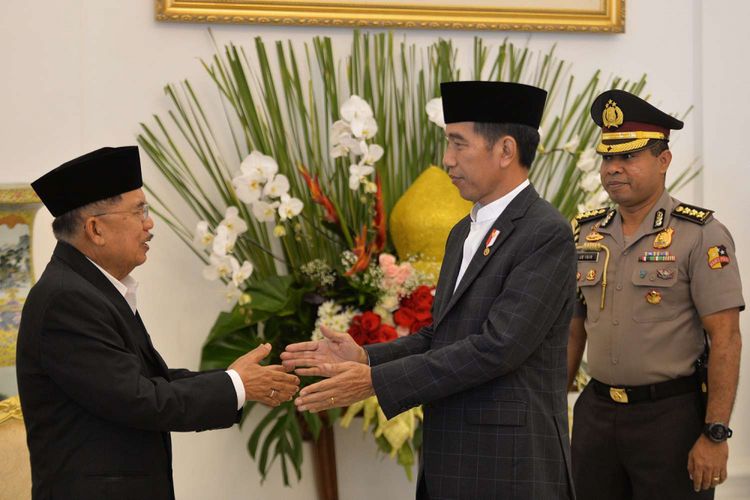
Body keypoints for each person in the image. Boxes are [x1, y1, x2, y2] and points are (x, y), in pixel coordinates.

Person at [282, 81, 577, 499]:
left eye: (459, 145)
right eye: (447, 144)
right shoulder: (464, 231)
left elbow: (498, 347)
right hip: (451, 461)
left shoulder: (545, 233)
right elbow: (441, 335)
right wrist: (365, 355)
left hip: (510, 466)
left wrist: (375, 382)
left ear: (506, 150)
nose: (447, 160)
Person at [16, 146, 299, 499]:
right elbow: (139, 399)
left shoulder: (90, 288)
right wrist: (237, 386)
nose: (149, 223)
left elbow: (149, 383)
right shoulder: (66, 300)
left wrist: (237, 381)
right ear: (95, 229)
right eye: (139, 211)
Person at [567, 89, 744, 499]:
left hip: (669, 420)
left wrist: (715, 435)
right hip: (596, 415)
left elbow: (726, 339)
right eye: (608, 158)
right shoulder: (585, 233)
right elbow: (572, 327)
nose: (613, 168)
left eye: (628, 157)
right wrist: (554, 407)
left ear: (663, 160)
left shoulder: (700, 235)